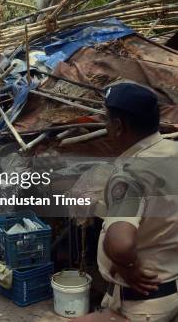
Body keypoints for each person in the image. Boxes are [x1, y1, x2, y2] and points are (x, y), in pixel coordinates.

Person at [95, 82, 178, 321]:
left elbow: (121, 244)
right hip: (170, 292)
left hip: (141, 305)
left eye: (107, 121)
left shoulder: (130, 175)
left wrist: (126, 265)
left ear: (119, 126)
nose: (106, 127)